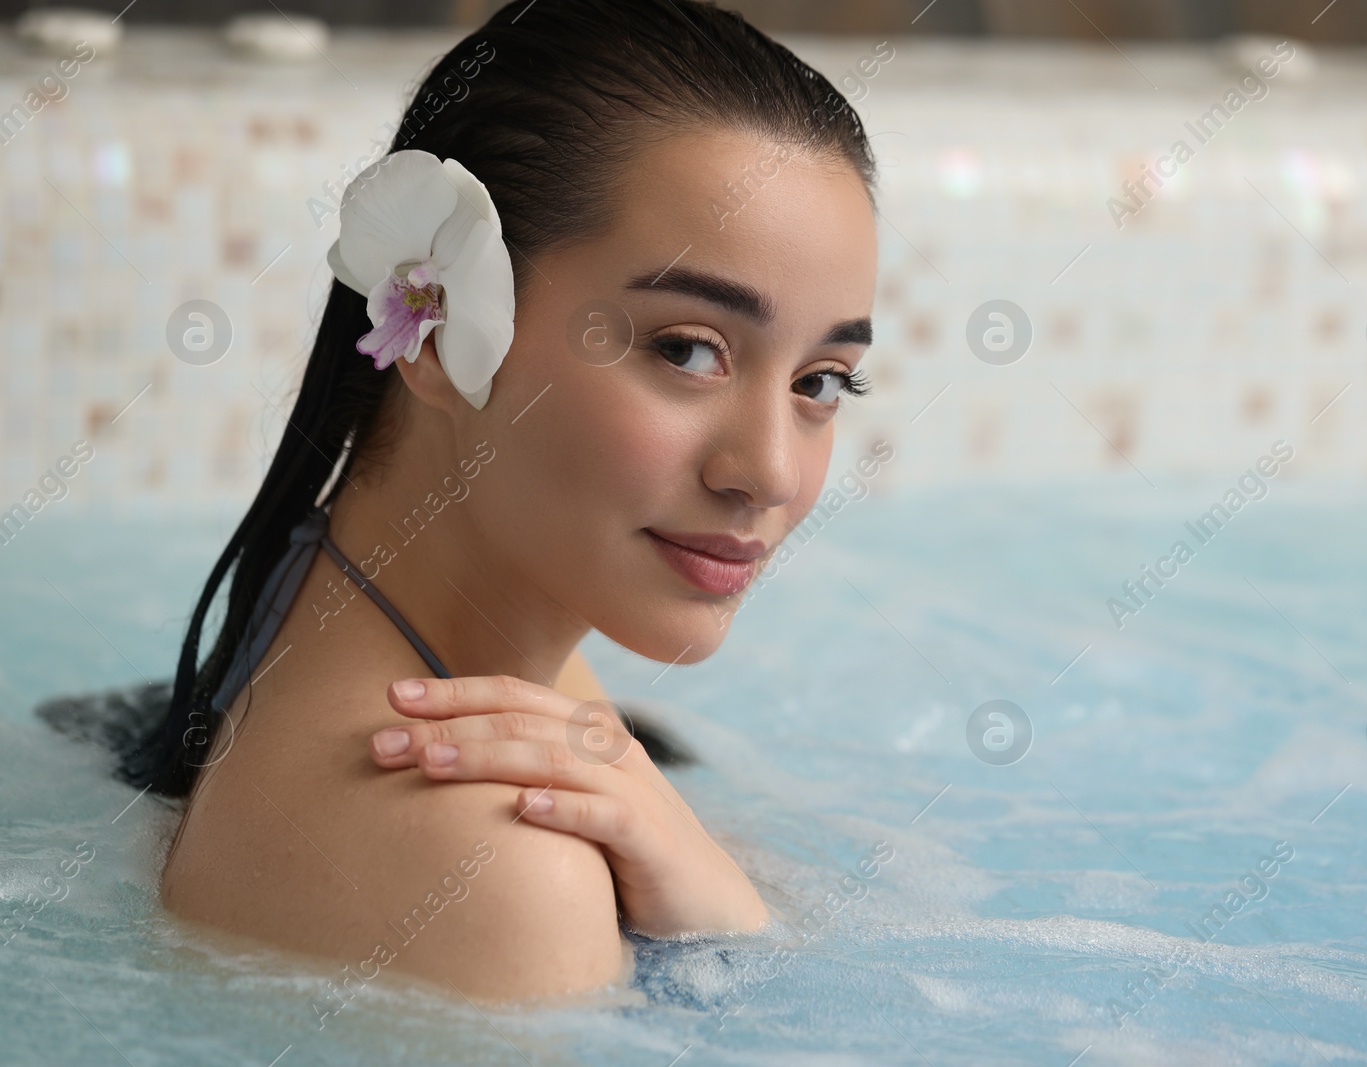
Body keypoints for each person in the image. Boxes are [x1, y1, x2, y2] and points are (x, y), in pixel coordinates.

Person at [119, 0, 879, 1001]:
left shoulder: (336, 619)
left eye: (821, 380)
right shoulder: (493, 875)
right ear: (436, 336)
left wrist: (715, 883)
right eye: (686, 348)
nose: (772, 472)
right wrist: (735, 936)